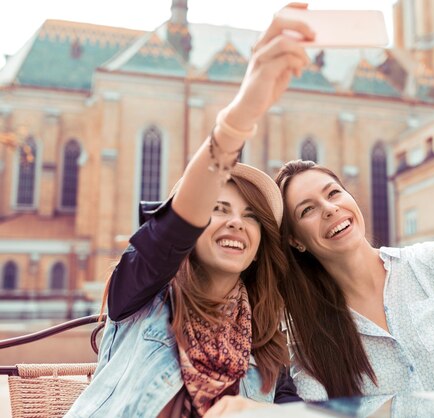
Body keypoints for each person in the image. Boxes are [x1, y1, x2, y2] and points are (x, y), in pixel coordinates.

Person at [66, 7, 314, 417]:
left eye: (251, 216)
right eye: (218, 209)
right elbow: (172, 231)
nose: (237, 221)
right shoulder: (144, 294)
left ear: (260, 247)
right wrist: (242, 115)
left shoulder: (268, 348)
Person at [275, 160, 434, 401]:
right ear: (296, 241)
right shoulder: (306, 325)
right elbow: (320, 412)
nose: (329, 208)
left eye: (334, 193)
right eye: (307, 210)